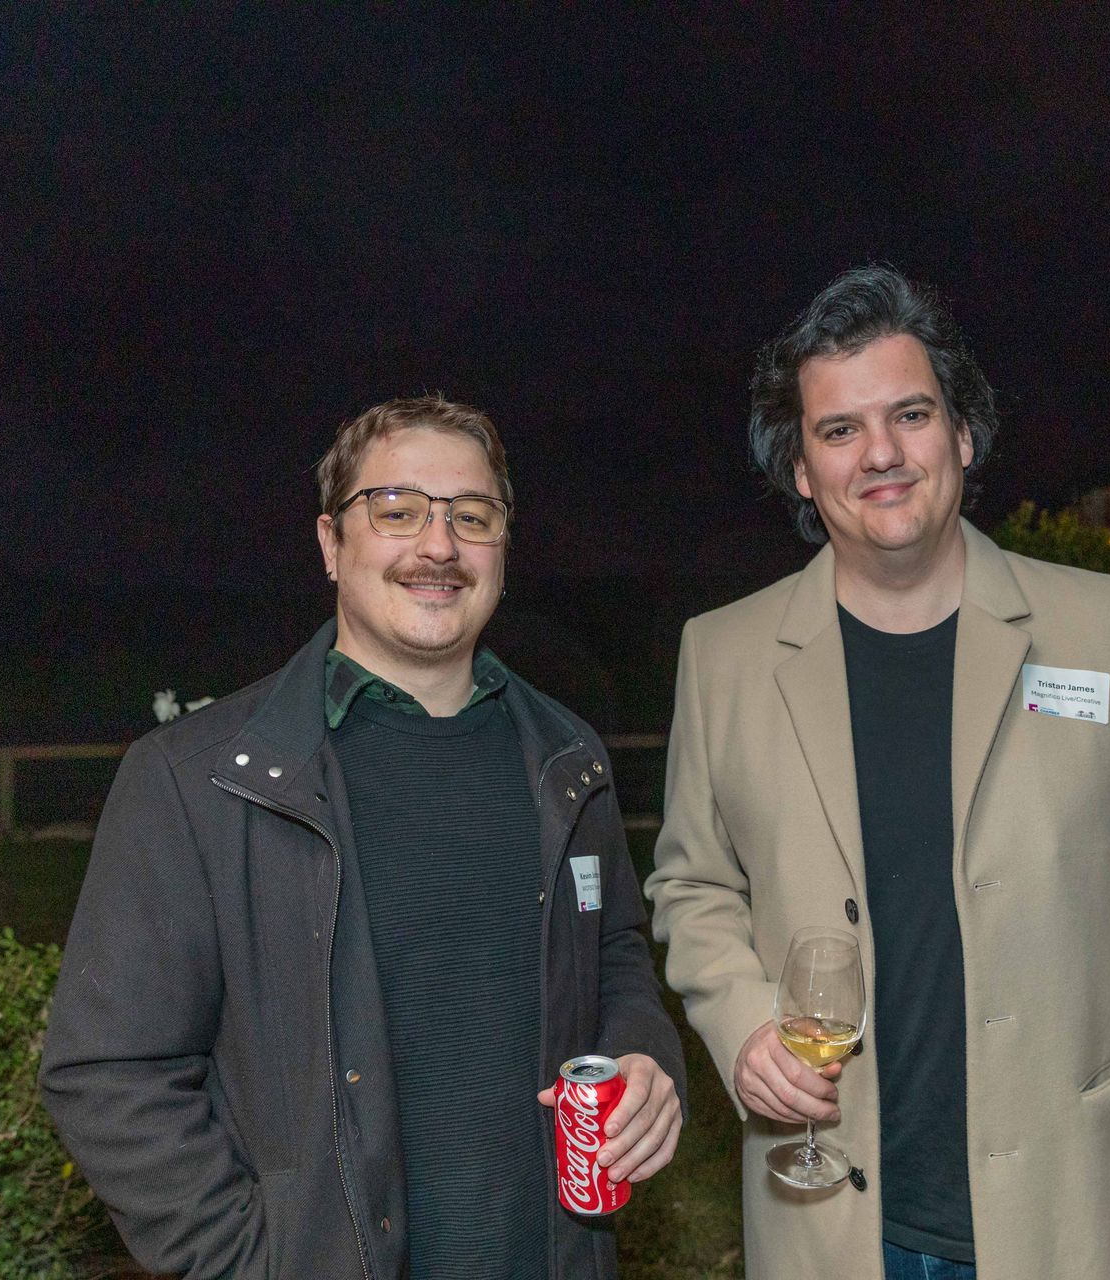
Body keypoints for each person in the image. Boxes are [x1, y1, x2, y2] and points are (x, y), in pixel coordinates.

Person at [647, 267, 1110, 1280]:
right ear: (800, 468)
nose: (880, 453)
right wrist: (743, 1023)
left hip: (1067, 1204)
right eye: (839, 430)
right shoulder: (724, 655)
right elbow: (693, 883)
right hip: (828, 1212)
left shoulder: (1103, 632)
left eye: (910, 414)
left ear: (962, 434)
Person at [40, 396, 684, 1280]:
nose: (439, 545)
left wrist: (645, 1059)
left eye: (473, 515)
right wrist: (247, 1261)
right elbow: (109, 1071)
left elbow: (614, 958)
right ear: (330, 544)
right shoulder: (197, 779)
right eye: (396, 510)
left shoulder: (568, 760)